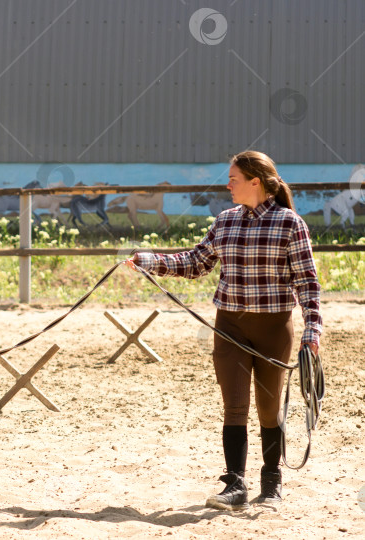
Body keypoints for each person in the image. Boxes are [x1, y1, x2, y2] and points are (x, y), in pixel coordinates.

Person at [126, 151, 322, 511]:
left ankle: (271, 482)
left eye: (233, 178)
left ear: (255, 182)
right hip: (229, 326)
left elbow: (308, 283)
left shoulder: (290, 224)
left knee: (267, 408)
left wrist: (312, 333)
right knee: (234, 406)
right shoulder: (225, 220)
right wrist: (148, 260)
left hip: (274, 328)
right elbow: (195, 261)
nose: (227, 184)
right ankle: (235, 484)